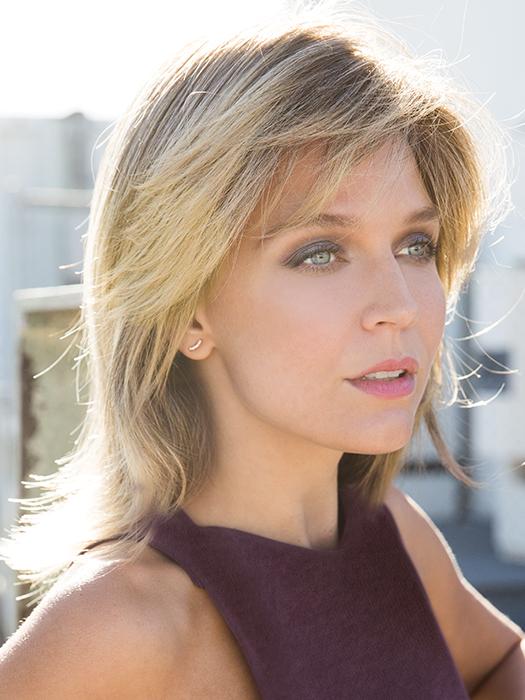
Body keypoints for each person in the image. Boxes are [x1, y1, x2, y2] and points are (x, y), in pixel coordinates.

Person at [0, 5, 524, 698]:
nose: (399, 303)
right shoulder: (113, 633)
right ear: (186, 308)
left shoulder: (393, 535)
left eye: (414, 244)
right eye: (320, 252)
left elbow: (500, 663)